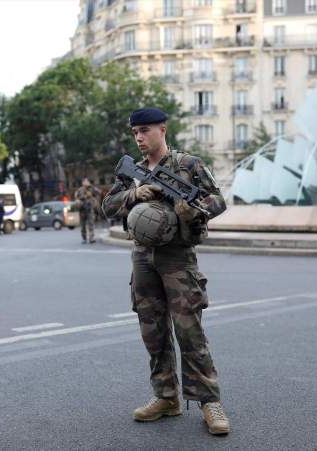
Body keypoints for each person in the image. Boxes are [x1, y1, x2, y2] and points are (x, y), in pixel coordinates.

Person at [102, 108, 230, 435]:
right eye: (135, 133)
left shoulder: (188, 165)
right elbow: (107, 206)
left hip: (177, 257)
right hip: (143, 257)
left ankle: (209, 401)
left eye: (145, 131)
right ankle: (166, 396)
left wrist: (190, 213)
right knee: (152, 330)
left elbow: (217, 201)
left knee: (189, 330)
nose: (139, 138)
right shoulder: (133, 170)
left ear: (163, 129)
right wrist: (135, 193)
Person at [74, 178, 100, 244]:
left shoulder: (92, 189)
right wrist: (85, 196)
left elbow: (99, 192)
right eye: (85, 181)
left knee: (91, 224)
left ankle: (91, 238)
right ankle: (84, 238)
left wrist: (91, 187)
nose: (86, 182)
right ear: (82, 183)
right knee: (83, 225)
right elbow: (77, 197)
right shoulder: (80, 190)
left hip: (90, 209)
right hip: (82, 209)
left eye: (87, 181)